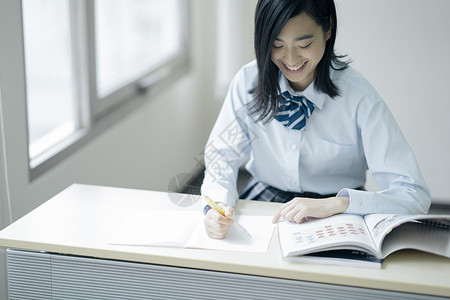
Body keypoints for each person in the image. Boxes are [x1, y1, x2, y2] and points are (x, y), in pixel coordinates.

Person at [201, 0, 431, 239]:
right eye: (276, 45)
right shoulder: (249, 81)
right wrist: (215, 205)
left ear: (328, 28)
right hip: (264, 202)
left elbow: (413, 194)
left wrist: (339, 203)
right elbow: (221, 157)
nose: (290, 59)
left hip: (336, 209)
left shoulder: (359, 97)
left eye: (304, 44)